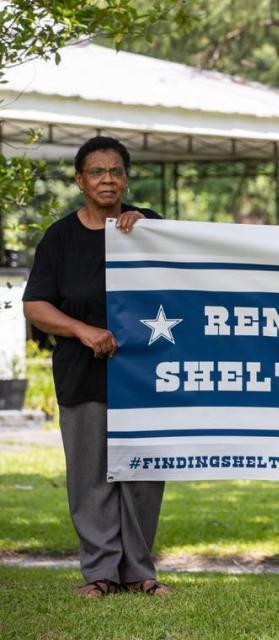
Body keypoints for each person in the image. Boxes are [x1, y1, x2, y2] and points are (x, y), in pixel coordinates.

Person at [23, 136, 171, 598]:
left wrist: (149, 228)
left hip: (147, 377)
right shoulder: (60, 238)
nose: (107, 179)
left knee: (143, 476)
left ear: (126, 178)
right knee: (91, 476)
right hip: (83, 375)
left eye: (116, 171)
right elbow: (35, 306)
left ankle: (141, 573)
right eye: (97, 172)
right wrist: (81, 330)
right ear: (80, 180)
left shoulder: (151, 227)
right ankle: (101, 574)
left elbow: (195, 271)